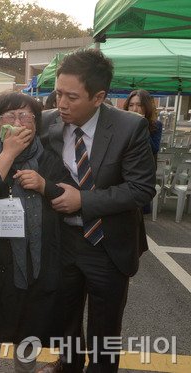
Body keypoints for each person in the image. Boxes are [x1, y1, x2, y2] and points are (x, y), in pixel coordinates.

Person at [37, 49, 156, 373]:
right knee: (64, 316)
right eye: (58, 93)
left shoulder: (130, 128)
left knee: (105, 329)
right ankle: (69, 364)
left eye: (71, 97)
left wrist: (83, 201)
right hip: (61, 240)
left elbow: (141, 189)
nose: (61, 104)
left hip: (107, 244)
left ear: (99, 96)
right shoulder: (48, 122)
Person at [0, 92, 71, 373]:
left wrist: (45, 185)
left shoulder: (50, 160)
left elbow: (68, 198)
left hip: (35, 264)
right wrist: (7, 155)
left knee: (28, 333)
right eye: (9, 116)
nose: (18, 122)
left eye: (26, 116)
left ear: (36, 124)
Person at [123, 89, 163, 165]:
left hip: (144, 169)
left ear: (147, 107)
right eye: (131, 105)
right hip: (124, 168)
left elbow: (154, 150)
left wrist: (142, 126)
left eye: (139, 105)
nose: (134, 109)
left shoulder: (156, 125)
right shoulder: (122, 124)